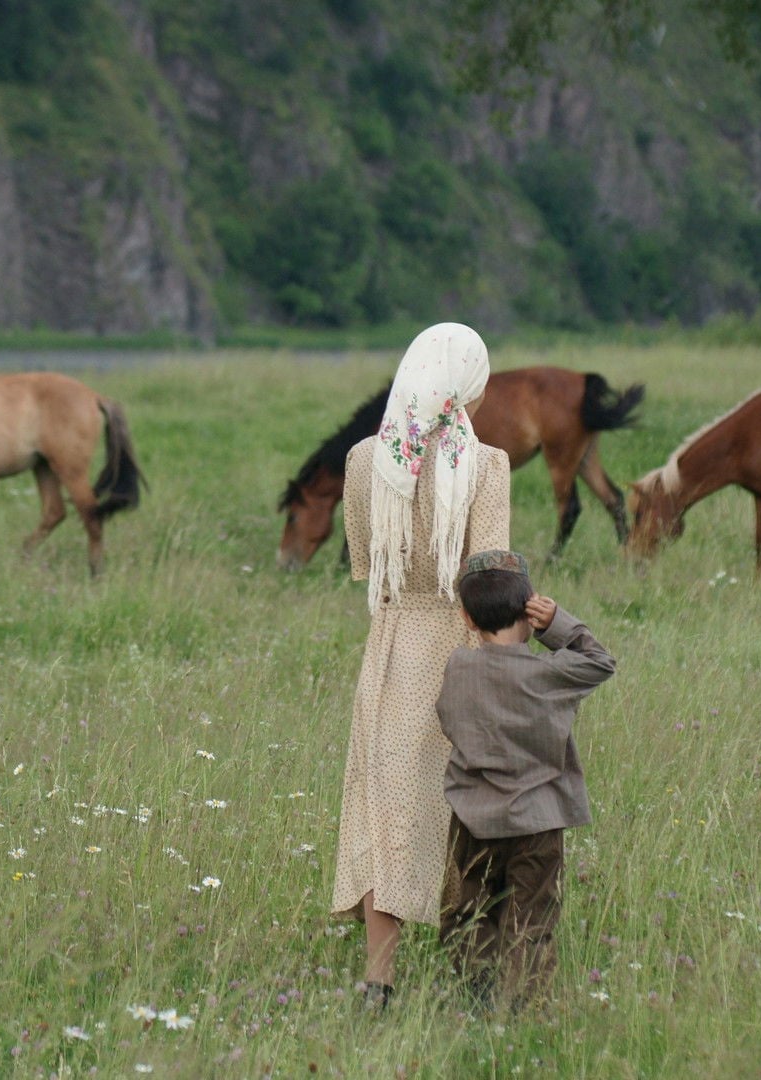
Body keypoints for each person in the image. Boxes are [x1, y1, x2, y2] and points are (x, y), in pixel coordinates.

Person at [332, 322, 511, 1008]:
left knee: (388, 813)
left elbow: (364, 568)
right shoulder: (486, 465)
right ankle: (476, 977)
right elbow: (488, 580)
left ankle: (379, 982)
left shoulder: (361, 462)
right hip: (463, 651)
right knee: (468, 811)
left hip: (390, 652)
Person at [435, 550, 616, 1005]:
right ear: (529, 607)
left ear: (467, 619)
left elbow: (447, 720)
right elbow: (601, 663)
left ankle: (473, 997)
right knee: (531, 917)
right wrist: (558, 625)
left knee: (468, 911)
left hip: (473, 820)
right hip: (538, 821)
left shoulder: (459, 666)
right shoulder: (549, 672)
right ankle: (521, 1005)